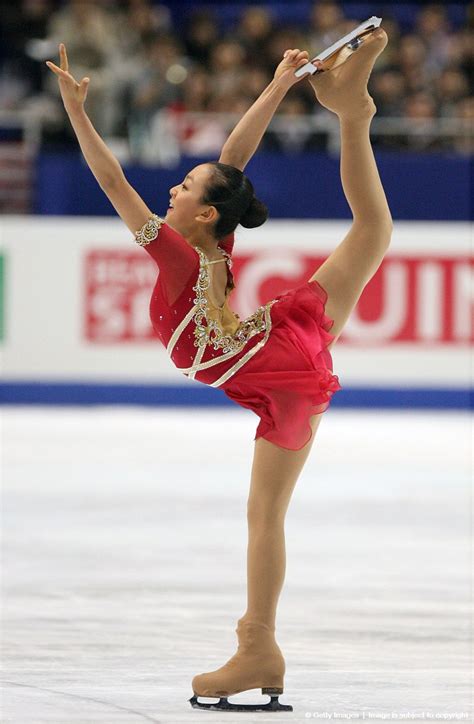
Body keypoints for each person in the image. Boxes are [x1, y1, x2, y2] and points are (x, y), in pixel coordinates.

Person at [46, 27, 392, 713]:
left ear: (202, 214)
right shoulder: (216, 238)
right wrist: (276, 85)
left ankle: (258, 643)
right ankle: (354, 116)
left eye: (182, 187)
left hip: (275, 365)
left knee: (266, 513)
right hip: (286, 345)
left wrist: (78, 113)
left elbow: (113, 179)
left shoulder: (178, 253)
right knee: (373, 232)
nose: (171, 189)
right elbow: (233, 157)